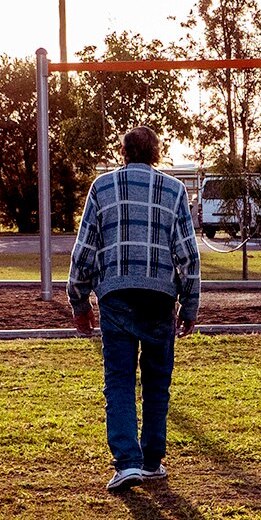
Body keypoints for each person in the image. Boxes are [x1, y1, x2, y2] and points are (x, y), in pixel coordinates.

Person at [69, 125, 201, 491]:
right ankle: (152, 460)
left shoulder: (101, 187)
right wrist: (189, 306)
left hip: (116, 296)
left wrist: (79, 301)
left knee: (120, 380)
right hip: (160, 297)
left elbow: (85, 251)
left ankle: (127, 463)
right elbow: (188, 255)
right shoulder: (175, 190)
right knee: (157, 382)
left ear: (123, 152)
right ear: (156, 153)